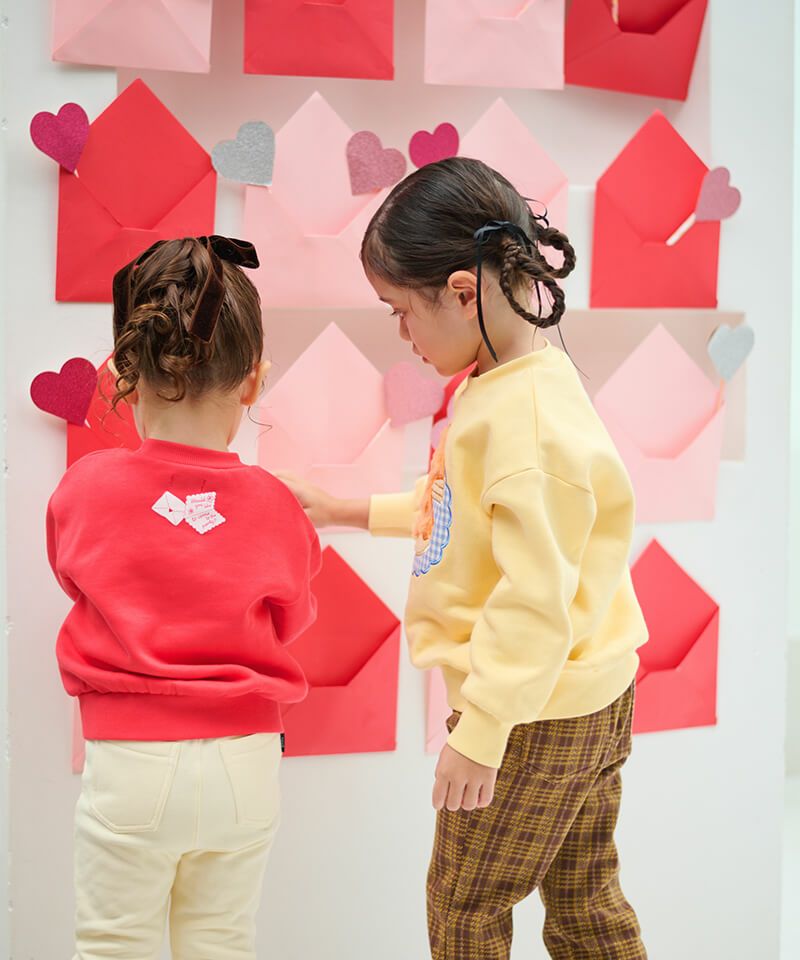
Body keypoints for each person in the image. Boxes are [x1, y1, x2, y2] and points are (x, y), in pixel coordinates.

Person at [282, 158, 649, 959]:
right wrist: (345, 510)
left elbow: (534, 601)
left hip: (532, 712)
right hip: (584, 693)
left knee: (464, 909)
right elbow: (464, 513)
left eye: (400, 312)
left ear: (460, 291)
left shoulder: (524, 421)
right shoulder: (514, 382)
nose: (402, 336)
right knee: (584, 901)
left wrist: (481, 731)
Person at [46, 236, 321, 960]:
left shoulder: (85, 489)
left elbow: (76, 579)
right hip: (246, 766)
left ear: (125, 371)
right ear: (254, 382)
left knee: (114, 944)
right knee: (221, 941)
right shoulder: (276, 504)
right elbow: (293, 616)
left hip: (131, 763)